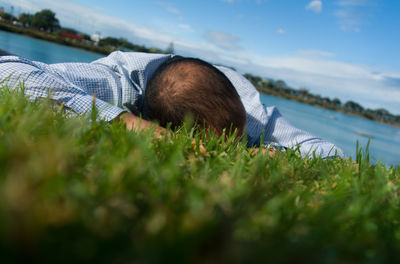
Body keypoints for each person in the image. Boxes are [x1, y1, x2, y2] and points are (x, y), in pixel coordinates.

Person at [0, 51, 344, 158]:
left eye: (237, 141)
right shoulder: (119, 81)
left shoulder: (250, 111)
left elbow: (331, 154)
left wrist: (271, 153)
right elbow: (8, 71)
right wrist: (129, 124)